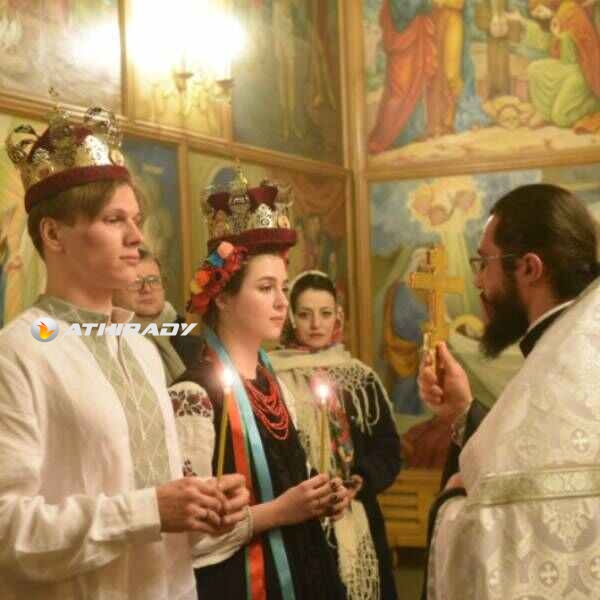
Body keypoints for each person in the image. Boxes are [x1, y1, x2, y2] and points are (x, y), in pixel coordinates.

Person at [0, 105, 249, 600]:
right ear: (53, 234)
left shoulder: (141, 347)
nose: (137, 238)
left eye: (136, 220)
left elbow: (159, 516)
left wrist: (203, 510)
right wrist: (149, 510)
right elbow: (9, 533)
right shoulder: (18, 353)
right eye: (115, 220)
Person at [418, 183, 600, 598]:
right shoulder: (576, 344)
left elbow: (498, 524)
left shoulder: (565, 364)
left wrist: (452, 502)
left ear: (530, 268)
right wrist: (464, 414)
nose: (478, 280)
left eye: (485, 263)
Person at [178, 175, 350, 599]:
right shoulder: (194, 396)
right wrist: (279, 512)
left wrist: (321, 496)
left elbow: (290, 477)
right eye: (265, 288)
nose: (281, 303)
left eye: (283, 288)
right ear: (222, 296)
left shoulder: (274, 383)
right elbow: (189, 538)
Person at [270, 270, 401, 600]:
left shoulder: (360, 379)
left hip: (357, 513)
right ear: (290, 318)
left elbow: (388, 450)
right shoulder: (270, 377)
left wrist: (358, 482)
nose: (316, 324)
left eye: (325, 313)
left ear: (337, 317)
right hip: (299, 518)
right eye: (305, 314)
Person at [113, 247, 202, 382]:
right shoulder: (108, 346)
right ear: (112, 290)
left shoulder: (196, 345)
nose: (146, 289)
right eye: (135, 282)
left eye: (154, 280)